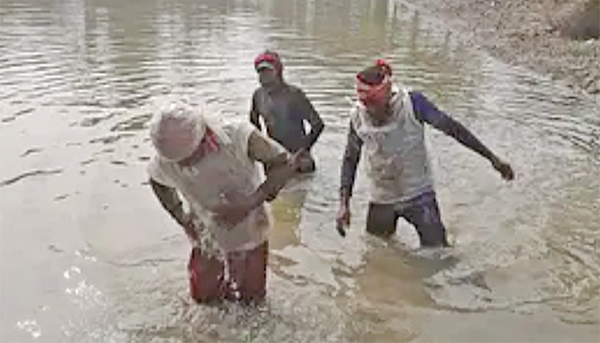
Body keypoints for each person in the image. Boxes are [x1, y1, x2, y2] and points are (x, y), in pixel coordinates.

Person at [336, 60, 514, 247]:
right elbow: (350, 158)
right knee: (375, 250)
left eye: (374, 103)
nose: (370, 110)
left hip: (418, 194)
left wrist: (492, 158)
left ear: (387, 95)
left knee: (440, 254)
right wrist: (344, 205)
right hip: (383, 196)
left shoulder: (413, 104)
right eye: (366, 104)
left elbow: (453, 129)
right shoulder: (358, 116)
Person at [147, 101, 301, 304]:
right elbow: (157, 181)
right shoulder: (167, 159)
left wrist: (251, 201)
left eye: (189, 159)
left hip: (250, 229)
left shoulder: (238, 137)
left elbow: (285, 163)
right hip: (206, 234)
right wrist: (182, 219)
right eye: (178, 163)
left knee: (252, 303)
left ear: (203, 139)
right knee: (204, 301)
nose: (184, 166)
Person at [250, 51, 324, 173]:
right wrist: (263, 150)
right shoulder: (258, 95)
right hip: (275, 157)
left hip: (299, 159)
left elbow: (317, 124)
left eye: (268, 71)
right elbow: (253, 124)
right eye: (260, 72)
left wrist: (303, 150)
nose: (264, 76)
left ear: (278, 72)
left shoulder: (293, 95)